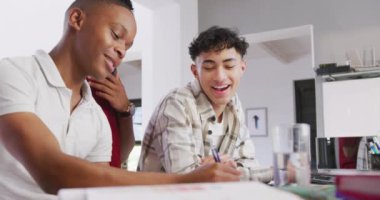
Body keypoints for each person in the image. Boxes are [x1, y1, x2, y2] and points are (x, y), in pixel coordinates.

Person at [0, 1, 241, 199]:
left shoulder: (97, 118)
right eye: (116, 35)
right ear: (77, 19)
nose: (121, 51)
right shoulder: (13, 74)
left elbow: (100, 190)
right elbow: (51, 170)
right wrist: (185, 181)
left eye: (127, 46)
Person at [138, 26, 273, 182]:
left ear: (242, 68)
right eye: (209, 67)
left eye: (229, 66)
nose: (220, 77)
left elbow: (250, 164)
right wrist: (220, 170)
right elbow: (186, 179)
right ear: (195, 72)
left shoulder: (234, 104)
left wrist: (217, 169)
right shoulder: (176, 103)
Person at [88, 70, 135, 168]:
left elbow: (120, 155)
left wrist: (125, 110)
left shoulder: (110, 83)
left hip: (109, 178)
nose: (121, 54)